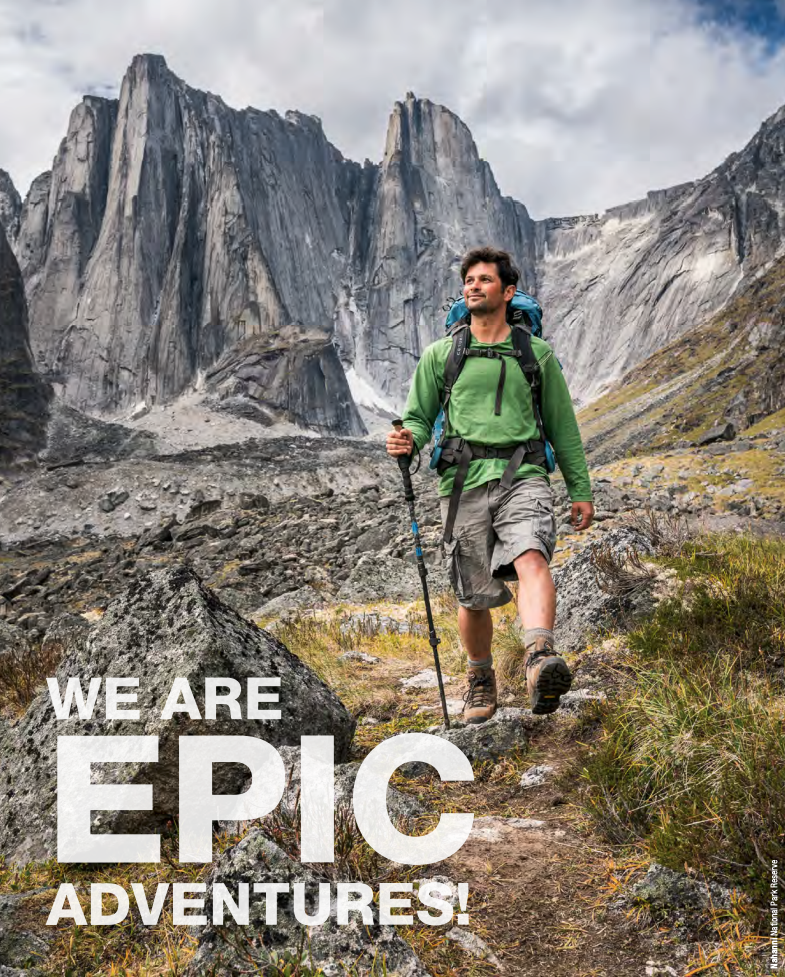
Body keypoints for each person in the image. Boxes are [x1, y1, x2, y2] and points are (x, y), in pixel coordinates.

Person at [386, 246, 594, 723]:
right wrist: (407, 441)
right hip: (462, 483)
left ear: (507, 290)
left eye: (484, 279)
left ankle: (539, 656)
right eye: (469, 280)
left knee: (531, 556)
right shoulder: (443, 355)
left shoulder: (535, 355)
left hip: (523, 475)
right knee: (472, 594)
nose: (474, 286)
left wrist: (579, 490)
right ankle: (481, 679)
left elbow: (562, 427)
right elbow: (419, 418)